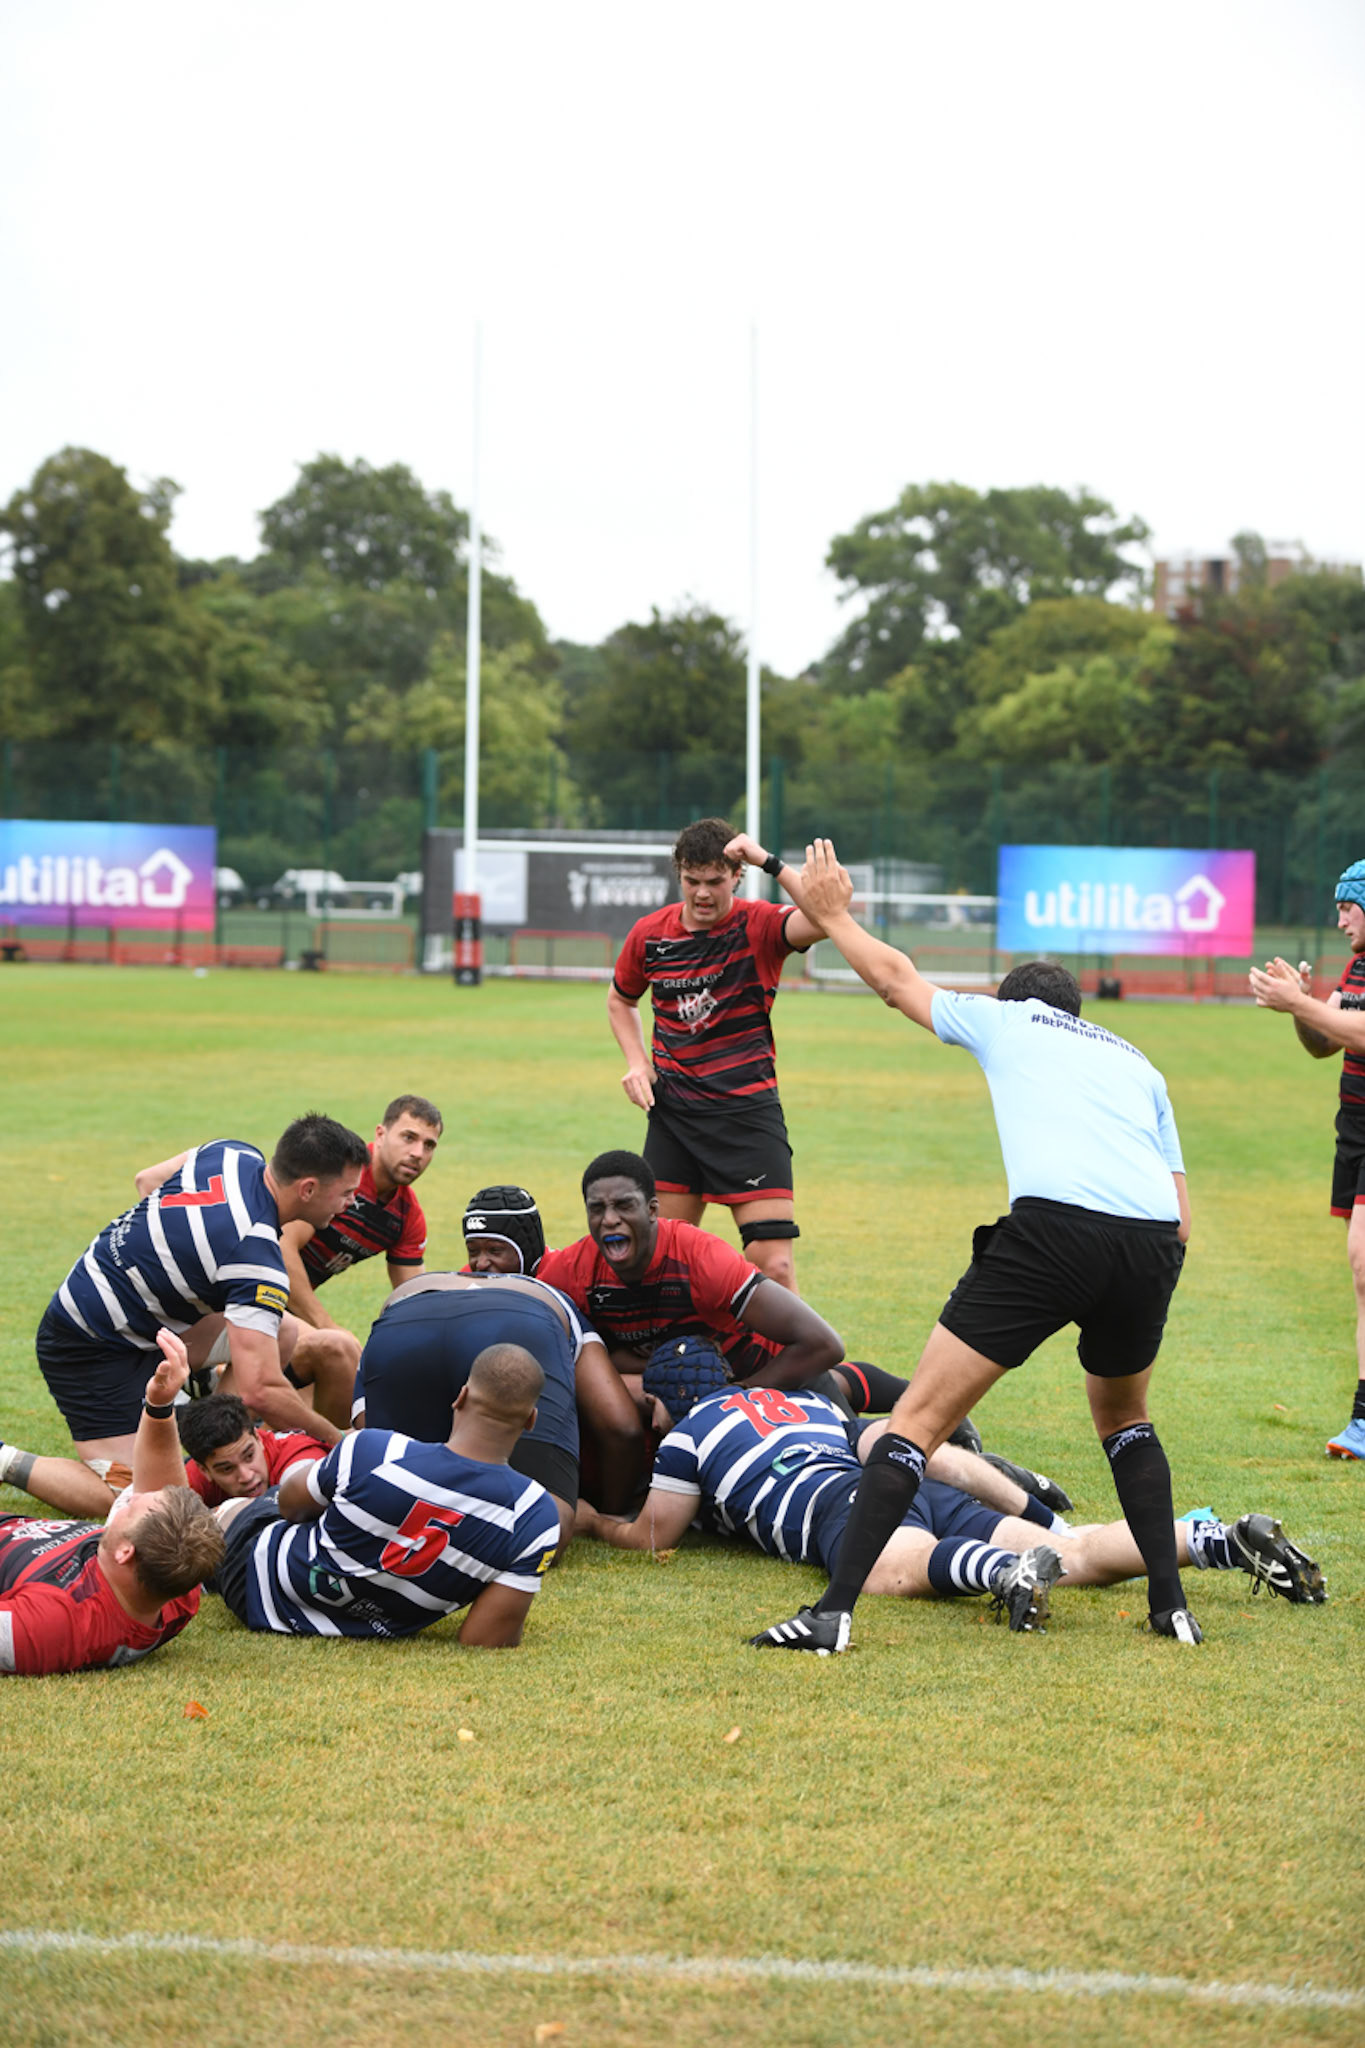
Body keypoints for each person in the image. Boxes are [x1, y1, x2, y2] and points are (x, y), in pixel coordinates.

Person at [750, 839, 1197, 1654]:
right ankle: (1169, 1608)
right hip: (1149, 1249)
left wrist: (833, 912)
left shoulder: (1009, 1016)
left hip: (1056, 1232)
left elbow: (893, 981)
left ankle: (831, 1616)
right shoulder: (1139, 1062)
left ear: (1011, 1001)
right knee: (1127, 1422)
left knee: (915, 1422)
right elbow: (1180, 1218)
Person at [577, 1382, 1325, 1630]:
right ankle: (1216, 1539)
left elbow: (654, 1535)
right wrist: (1031, 1507)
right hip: (918, 1486)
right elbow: (910, 1446)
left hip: (835, 1507)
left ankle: (1000, 1574)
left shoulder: (687, 1435)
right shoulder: (806, 1401)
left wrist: (589, 1520)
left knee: (886, 1571)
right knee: (1080, 1550)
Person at [36, 1114, 368, 1489]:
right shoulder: (254, 1257)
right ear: (307, 1189)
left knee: (280, 1330)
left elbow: (146, 1180)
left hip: (137, 1323)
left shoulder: (231, 1154)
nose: (351, 1203)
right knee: (142, 1489)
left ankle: (206, 1432)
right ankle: (5, 1459)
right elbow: (262, 1390)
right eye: (346, 1193)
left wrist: (169, 1263)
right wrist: (338, 1441)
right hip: (86, 1348)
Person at [212, 1343, 561, 1646]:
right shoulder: (535, 1516)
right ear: (530, 1419)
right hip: (372, 1626)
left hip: (260, 1587)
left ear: (462, 1396)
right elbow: (484, 1639)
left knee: (235, 1510)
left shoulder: (377, 1449)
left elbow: (289, 1506)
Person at [606, 817, 820, 1292]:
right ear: (679, 874)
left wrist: (770, 861)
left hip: (747, 1114)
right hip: (675, 1116)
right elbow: (621, 999)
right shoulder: (650, 935)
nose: (703, 893)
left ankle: (793, 1366)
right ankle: (672, 1364)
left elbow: (825, 919)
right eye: (692, 881)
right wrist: (638, 1062)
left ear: (736, 876)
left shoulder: (759, 926)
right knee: (657, 1263)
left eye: (715, 881)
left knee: (775, 1266)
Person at [0, 1330, 224, 1676]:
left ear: (126, 1552)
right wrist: (159, 1406)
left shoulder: (55, 1622)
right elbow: (163, 1485)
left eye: (134, 1505)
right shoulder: (177, 1585)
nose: (133, 1494)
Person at [537, 1150, 848, 1395]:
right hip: (684, 1392)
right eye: (597, 1208)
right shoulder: (572, 1270)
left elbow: (823, 1344)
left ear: (653, 1210)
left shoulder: (700, 1258)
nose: (609, 1219)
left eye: (624, 1205)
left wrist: (735, 1397)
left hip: (772, 1377)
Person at [353, 1267, 639, 1526]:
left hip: (405, 1315)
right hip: (524, 1317)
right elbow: (621, 1427)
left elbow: (365, 1430)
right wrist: (609, 1513)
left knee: (382, 1496)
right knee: (549, 1522)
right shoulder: (555, 1297)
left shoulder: (412, 1291)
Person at [1249, 864, 1365, 1459]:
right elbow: (1327, 1043)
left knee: (1362, 1262)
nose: (1340, 918)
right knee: (1363, 1276)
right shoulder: (1356, 968)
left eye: (1348, 906)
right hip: (1355, 1131)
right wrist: (1298, 1008)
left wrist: (1301, 1000)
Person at [279, 1094, 443, 1392]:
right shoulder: (338, 1174)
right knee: (334, 1350)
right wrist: (325, 1324)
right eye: (409, 1137)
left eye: (429, 1144)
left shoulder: (406, 1216)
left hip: (286, 1310)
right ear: (380, 1134)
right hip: (247, 1286)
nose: (418, 1152)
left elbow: (414, 1301)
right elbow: (280, 1248)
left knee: (346, 1374)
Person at [178, 1395, 329, 1507]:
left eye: (249, 1456)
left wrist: (224, 1515)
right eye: (227, 1469)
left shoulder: (300, 1458)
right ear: (204, 1470)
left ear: (258, 1438)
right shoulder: (195, 1474)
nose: (246, 1476)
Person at [462, 1186, 546, 1275]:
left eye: (495, 1250)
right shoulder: (464, 1282)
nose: (481, 1264)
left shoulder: (557, 1276)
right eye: (472, 1251)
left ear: (527, 1252)